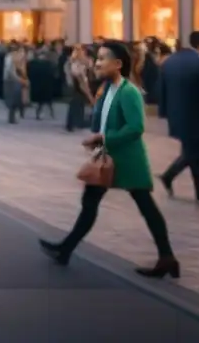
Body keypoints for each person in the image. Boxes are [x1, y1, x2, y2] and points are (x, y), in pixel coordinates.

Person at [40, 39, 178, 277]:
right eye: (98, 58)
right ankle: (65, 248)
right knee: (90, 202)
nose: (97, 63)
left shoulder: (128, 91)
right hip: (106, 156)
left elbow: (135, 127)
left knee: (146, 206)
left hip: (127, 159)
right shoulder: (108, 90)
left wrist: (104, 139)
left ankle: (167, 257)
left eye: (103, 59)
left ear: (117, 64)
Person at [158, 31, 199, 203]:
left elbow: (162, 90)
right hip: (197, 116)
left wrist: (164, 112)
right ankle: (169, 176)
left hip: (177, 115)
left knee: (192, 153)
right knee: (192, 153)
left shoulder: (169, 61)